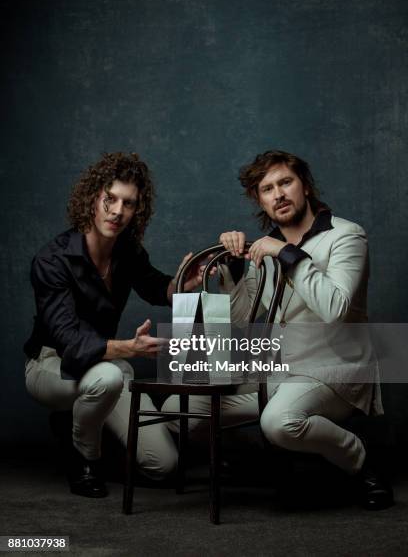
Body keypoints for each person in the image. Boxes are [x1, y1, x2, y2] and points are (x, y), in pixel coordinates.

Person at [163, 149, 393, 510]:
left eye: (286, 182)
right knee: (182, 412)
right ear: (260, 199)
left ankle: (361, 461)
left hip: (334, 370)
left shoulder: (347, 236)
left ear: (305, 186)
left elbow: (336, 308)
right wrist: (226, 275)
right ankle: (260, 462)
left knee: (281, 422)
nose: (279, 194)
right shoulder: (263, 249)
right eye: (267, 189)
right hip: (277, 371)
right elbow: (244, 321)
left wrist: (287, 254)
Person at [24, 152, 204, 498]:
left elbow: (155, 286)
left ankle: (81, 425)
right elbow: (71, 344)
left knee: (163, 465)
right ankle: (84, 457)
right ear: (93, 197)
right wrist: (130, 349)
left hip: (101, 365)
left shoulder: (127, 251)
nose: (117, 211)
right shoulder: (53, 260)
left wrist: (183, 282)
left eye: (129, 203)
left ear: (138, 210)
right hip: (51, 364)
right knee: (110, 376)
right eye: (110, 199)